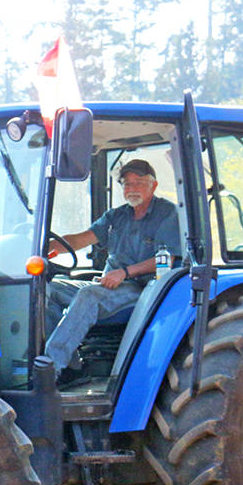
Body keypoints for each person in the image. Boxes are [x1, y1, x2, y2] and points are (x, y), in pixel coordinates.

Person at [44, 158, 181, 373]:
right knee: (48, 288)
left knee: (90, 294)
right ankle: (68, 363)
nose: (131, 189)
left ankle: (49, 371)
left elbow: (166, 259)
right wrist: (44, 248)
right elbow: (83, 239)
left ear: (153, 185)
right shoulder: (117, 215)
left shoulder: (168, 214)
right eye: (127, 184)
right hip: (108, 283)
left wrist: (124, 273)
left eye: (138, 183)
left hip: (142, 289)